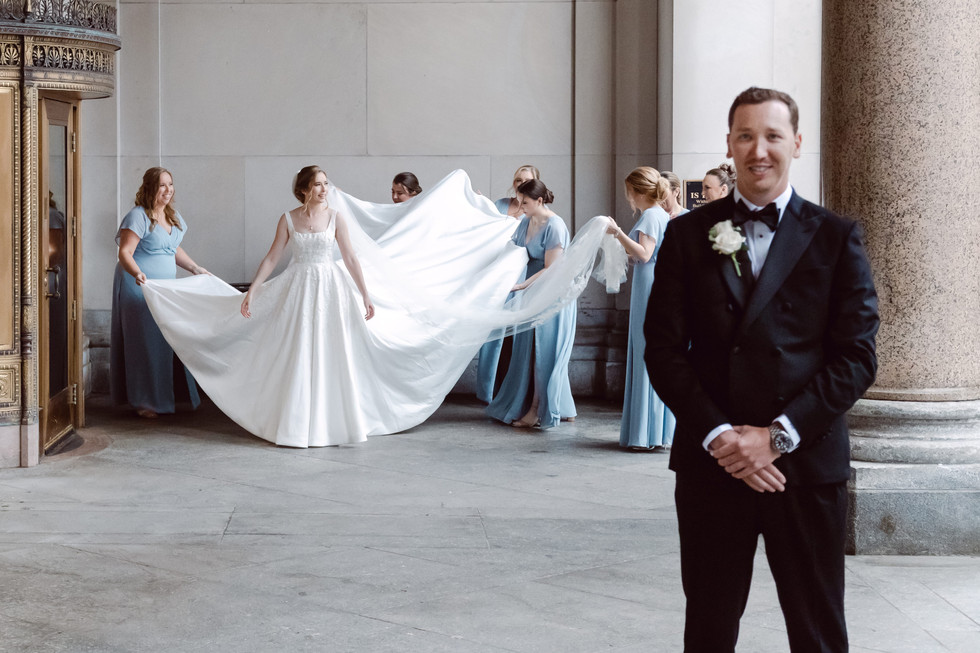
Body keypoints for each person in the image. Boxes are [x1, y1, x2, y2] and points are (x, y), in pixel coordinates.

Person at [644, 87, 879, 652]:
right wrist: (722, 437)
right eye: (746, 136)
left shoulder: (835, 236)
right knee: (709, 627)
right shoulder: (687, 235)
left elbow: (857, 357)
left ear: (796, 143)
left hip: (804, 464)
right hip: (713, 464)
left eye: (772, 136)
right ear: (729, 144)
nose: (759, 150)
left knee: (817, 630)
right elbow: (663, 350)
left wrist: (776, 437)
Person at [110, 167, 208, 418]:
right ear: (150, 188)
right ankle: (145, 401)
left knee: (165, 341)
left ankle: (167, 398)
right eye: (162, 185)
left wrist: (195, 268)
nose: (168, 190)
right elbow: (125, 252)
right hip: (139, 286)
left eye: (170, 184)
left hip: (165, 290)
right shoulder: (137, 216)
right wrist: (137, 273)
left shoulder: (172, 216)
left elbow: (172, 249)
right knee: (144, 342)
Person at [487, 179, 576, 428]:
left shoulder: (555, 225)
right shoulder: (526, 221)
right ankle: (558, 406)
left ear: (539, 201)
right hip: (532, 289)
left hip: (551, 291)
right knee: (527, 348)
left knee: (542, 351)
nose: (520, 207)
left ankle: (537, 411)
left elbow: (551, 268)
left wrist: (521, 286)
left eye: (525, 202)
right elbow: (512, 252)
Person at [605, 167, 675, 451]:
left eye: (629, 191)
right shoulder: (660, 214)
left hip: (649, 284)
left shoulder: (651, 216)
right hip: (652, 282)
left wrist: (618, 233)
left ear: (636, 191)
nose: (628, 197)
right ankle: (654, 431)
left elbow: (645, 254)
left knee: (645, 352)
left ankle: (646, 433)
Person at [477, 164, 541, 403]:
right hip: (496, 275)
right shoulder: (500, 205)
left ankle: (510, 390)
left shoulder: (536, 211)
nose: (520, 184)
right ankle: (489, 390)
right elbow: (484, 233)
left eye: (526, 180)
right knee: (491, 331)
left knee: (514, 333)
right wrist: (481, 209)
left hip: (521, 275)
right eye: (517, 180)